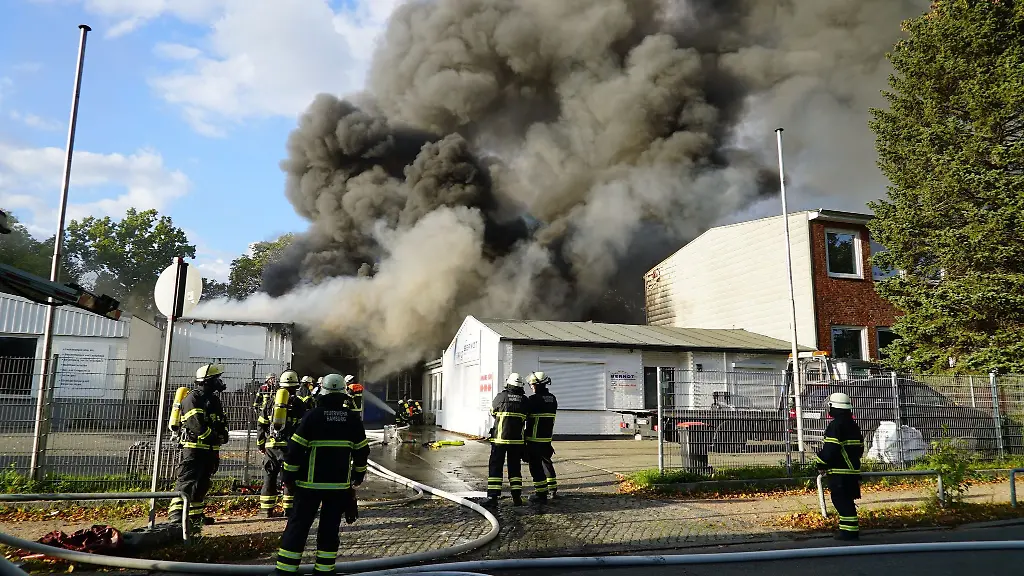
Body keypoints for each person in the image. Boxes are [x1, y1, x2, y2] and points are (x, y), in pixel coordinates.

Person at [274, 373, 369, 575]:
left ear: (322, 393)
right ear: (344, 394)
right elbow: (362, 453)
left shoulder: (312, 416)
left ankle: (285, 571)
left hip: (309, 486)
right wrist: (356, 479)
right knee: (329, 530)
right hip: (338, 488)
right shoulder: (352, 419)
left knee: (298, 527)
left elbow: (294, 451)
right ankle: (324, 571)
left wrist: (288, 478)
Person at [168, 364, 229, 531]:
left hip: (209, 449)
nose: (220, 382)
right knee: (186, 482)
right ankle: (176, 516)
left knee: (202, 483)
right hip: (193, 448)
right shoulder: (192, 398)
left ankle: (195, 515)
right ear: (207, 381)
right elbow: (196, 425)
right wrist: (214, 437)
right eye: (216, 379)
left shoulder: (214, 400)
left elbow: (221, 421)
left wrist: (223, 435)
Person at [257, 370, 308, 518]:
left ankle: (266, 510)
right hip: (290, 447)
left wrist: (261, 443)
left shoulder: (271, 402)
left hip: (271, 446)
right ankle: (289, 510)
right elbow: (303, 427)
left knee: (269, 476)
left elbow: (262, 424)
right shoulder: (299, 404)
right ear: (295, 386)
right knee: (290, 478)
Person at [814, 392, 864, 541]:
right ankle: (849, 530)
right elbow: (859, 448)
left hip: (839, 471)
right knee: (847, 500)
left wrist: (820, 462)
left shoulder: (836, 425)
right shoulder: (853, 425)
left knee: (841, 501)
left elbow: (831, 449)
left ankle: (848, 533)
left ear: (833, 406)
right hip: (852, 470)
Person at [485, 373, 530, 507]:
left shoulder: (501, 397)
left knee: (495, 468)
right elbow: (527, 417)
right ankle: (516, 497)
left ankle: (493, 497)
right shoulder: (525, 401)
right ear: (521, 386)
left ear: (508, 383)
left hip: (500, 440)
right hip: (517, 442)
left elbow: (492, 412)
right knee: (515, 469)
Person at [524, 371, 558, 503]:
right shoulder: (552, 398)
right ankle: (552, 489)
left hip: (534, 439)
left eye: (533, 384)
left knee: (535, 467)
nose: (531, 386)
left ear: (539, 384)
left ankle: (541, 493)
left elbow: (525, 415)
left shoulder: (533, 400)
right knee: (547, 462)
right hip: (546, 439)